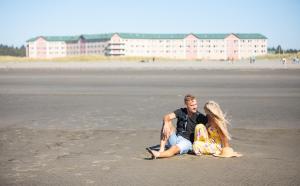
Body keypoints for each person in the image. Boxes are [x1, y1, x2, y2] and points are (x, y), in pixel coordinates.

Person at [146, 94, 208, 159]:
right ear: (186, 105)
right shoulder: (181, 111)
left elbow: (210, 126)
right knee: (167, 122)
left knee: (174, 148)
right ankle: (161, 149)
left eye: (196, 104)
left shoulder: (200, 117)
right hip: (176, 138)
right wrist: (166, 123)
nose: (195, 107)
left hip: (187, 142)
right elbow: (166, 117)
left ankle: (158, 154)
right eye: (192, 105)